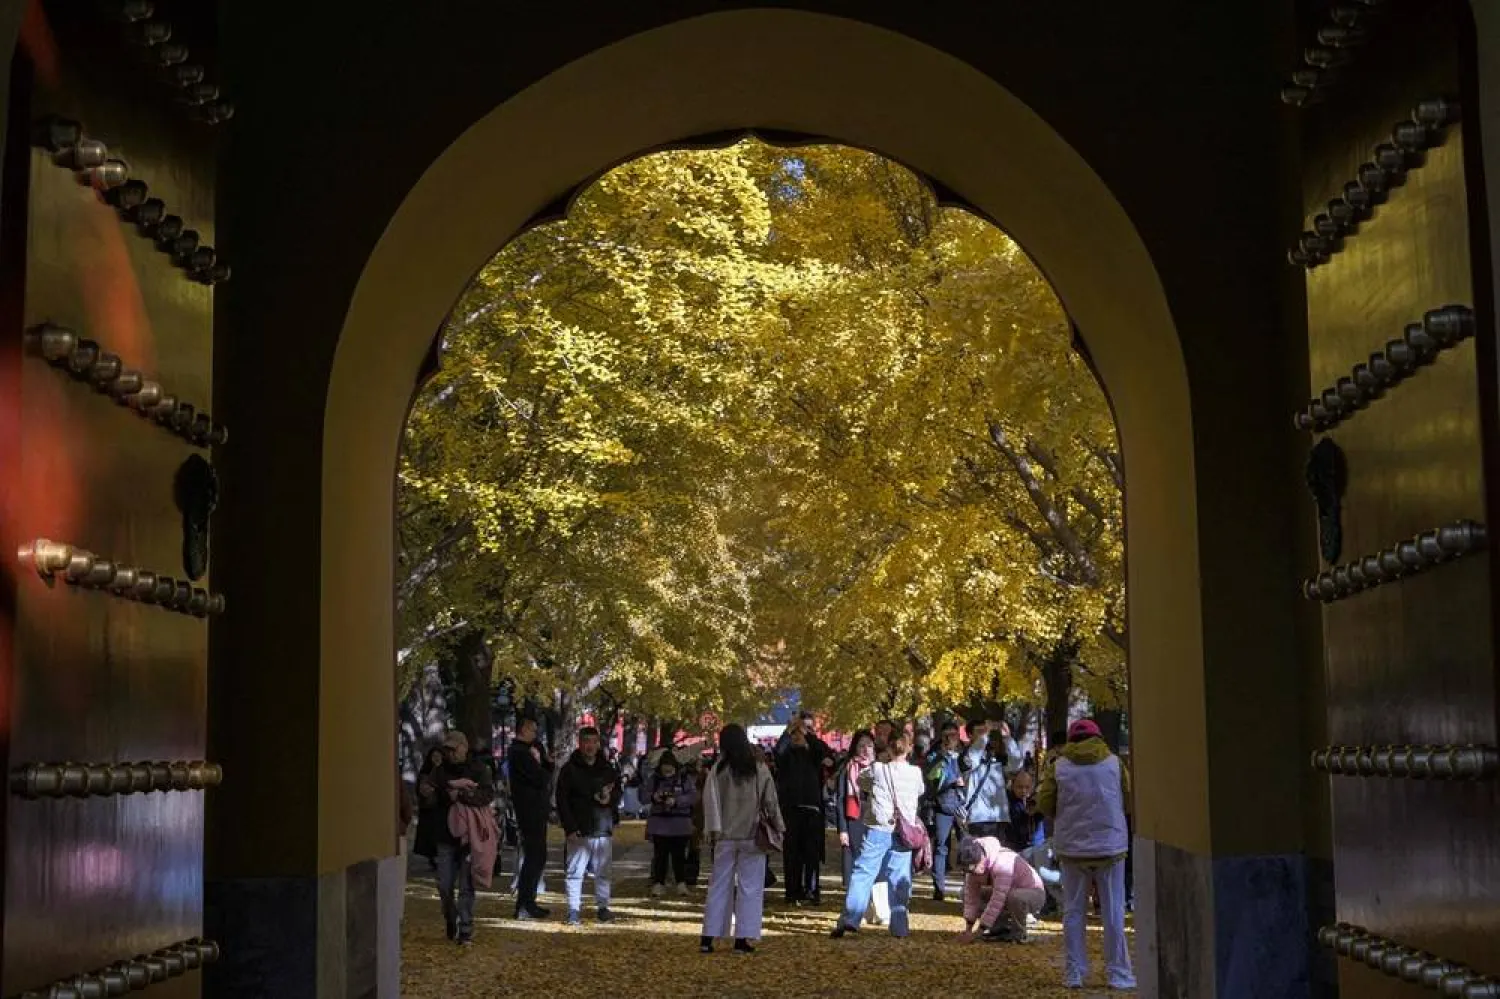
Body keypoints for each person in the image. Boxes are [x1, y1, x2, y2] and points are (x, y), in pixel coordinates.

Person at [1038, 717, 1136, 991]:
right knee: (1114, 912)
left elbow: (1045, 804)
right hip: (1111, 847)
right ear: (1099, 738)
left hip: (1072, 848)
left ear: (1071, 741)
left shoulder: (1059, 767)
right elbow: (1129, 800)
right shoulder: (1115, 764)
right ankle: (1118, 974)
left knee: (1073, 911)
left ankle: (1074, 973)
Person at [830, 728, 922, 939]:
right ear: (909, 749)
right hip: (903, 830)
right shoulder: (915, 773)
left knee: (863, 873)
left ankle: (851, 918)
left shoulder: (878, 769)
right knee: (899, 878)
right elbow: (920, 791)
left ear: (889, 748)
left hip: (878, 827)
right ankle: (899, 926)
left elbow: (862, 782)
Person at [700, 723, 782, 954]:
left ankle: (709, 936)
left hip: (724, 835)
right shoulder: (758, 769)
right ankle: (743, 938)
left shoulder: (717, 771)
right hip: (751, 834)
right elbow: (771, 802)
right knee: (750, 887)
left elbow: (709, 803)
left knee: (718, 886)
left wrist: (712, 830)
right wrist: (779, 827)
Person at [425, 730, 495, 945]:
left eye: (454, 749)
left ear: (464, 747)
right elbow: (428, 798)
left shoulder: (479, 769)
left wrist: (463, 794)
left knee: (466, 886)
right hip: (444, 835)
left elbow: (486, 795)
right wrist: (444, 794)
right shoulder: (439, 771)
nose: (450, 753)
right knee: (444, 885)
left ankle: (466, 927)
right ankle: (450, 916)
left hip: (469, 837)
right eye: (448, 749)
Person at [556, 726, 621, 926]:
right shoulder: (569, 769)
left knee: (603, 871)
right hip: (580, 828)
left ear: (598, 744)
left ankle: (603, 907)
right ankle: (573, 910)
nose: (590, 746)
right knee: (575, 872)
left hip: (602, 826)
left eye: (593, 742)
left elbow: (617, 793)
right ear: (580, 743)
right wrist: (569, 827)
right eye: (586, 742)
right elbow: (562, 800)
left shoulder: (607, 768)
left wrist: (609, 799)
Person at [773, 714, 832, 904]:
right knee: (792, 853)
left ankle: (812, 890)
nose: (799, 735)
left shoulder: (815, 751)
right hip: (790, 807)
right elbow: (778, 750)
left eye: (803, 730)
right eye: (796, 732)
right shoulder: (786, 753)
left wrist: (809, 735)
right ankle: (792, 891)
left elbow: (825, 754)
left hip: (812, 807)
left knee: (812, 853)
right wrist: (788, 730)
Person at [834, 730, 890, 926]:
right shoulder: (847, 768)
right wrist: (842, 829)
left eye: (869, 746)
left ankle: (882, 910)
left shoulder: (881, 768)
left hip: (877, 819)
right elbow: (841, 799)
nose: (866, 750)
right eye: (861, 746)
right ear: (855, 748)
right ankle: (861, 909)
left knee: (880, 864)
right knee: (858, 865)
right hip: (855, 819)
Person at [953, 836, 1047, 943]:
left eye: (975, 866)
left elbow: (998, 899)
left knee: (1013, 896)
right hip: (1007, 893)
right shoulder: (972, 868)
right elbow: (971, 897)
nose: (973, 871)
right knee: (964, 892)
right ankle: (999, 928)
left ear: (983, 857)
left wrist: (978, 932)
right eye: (968, 869)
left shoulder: (1003, 862)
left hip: (1033, 893)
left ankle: (1019, 933)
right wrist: (968, 930)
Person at [507, 716, 553, 920]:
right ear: (523, 730)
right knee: (534, 856)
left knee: (538, 856)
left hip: (535, 809)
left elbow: (544, 776)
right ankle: (525, 903)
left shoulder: (526, 752)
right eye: (533, 730)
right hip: (529, 810)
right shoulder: (520, 753)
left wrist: (545, 763)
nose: (535, 735)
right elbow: (540, 778)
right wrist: (543, 764)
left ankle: (529, 901)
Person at [923, 719, 967, 901]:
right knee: (941, 846)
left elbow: (971, 769)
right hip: (942, 804)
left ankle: (970, 885)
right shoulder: (934, 755)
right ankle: (939, 886)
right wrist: (951, 780)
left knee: (967, 845)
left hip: (963, 803)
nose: (950, 739)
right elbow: (931, 779)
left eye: (954, 735)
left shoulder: (965, 753)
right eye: (947, 735)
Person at [644, 749, 697, 896]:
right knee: (660, 855)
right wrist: (655, 797)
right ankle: (658, 883)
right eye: (664, 766)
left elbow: (693, 797)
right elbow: (643, 795)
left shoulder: (684, 779)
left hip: (680, 825)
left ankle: (681, 883)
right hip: (659, 824)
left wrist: (677, 801)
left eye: (670, 766)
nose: (667, 769)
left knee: (679, 856)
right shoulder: (654, 780)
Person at [961, 727, 1011, 840]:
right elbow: (972, 757)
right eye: (991, 740)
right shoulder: (971, 759)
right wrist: (986, 733)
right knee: (979, 854)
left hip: (1000, 817)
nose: (993, 743)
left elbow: (1017, 763)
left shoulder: (1002, 762)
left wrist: (1008, 738)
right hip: (979, 816)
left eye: (997, 740)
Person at [413, 745, 447, 871]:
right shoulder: (425, 772)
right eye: (434, 756)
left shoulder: (445, 770)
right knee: (429, 835)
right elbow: (420, 789)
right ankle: (432, 858)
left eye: (439, 756)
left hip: (441, 808)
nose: (437, 759)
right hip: (429, 809)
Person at [1003, 768, 1045, 854]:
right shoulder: (1007, 800)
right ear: (1012, 786)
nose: (1023, 791)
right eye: (1019, 787)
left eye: (1027, 787)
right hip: (1016, 847)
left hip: (1037, 845)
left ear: (1032, 786)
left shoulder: (1036, 798)